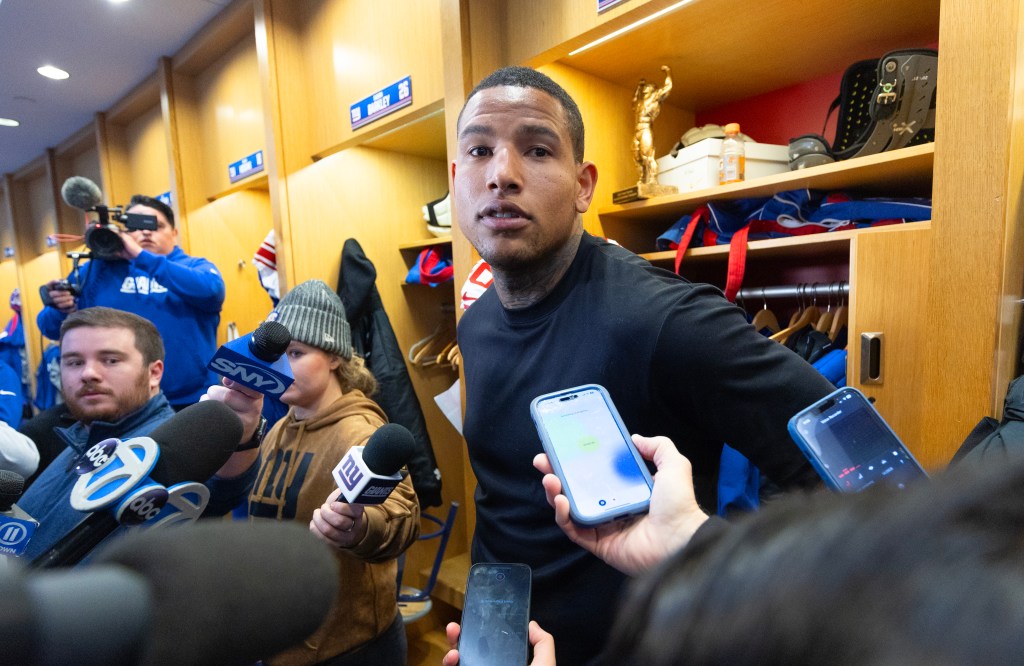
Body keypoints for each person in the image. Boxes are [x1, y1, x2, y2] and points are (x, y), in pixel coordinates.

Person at [451, 65, 835, 663]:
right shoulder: (474, 325)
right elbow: (505, 504)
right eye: (480, 150)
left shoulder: (663, 320)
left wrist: (720, 570)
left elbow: (864, 485)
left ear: (584, 186)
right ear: (456, 180)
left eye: (537, 149)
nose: (502, 174)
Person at [248, 279, 419, 666]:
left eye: (296, 352)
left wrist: (359, 528)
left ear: (335, 357)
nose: (281, 365)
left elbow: (403, 518)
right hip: (283, 640)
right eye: (277, 353)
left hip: (348, 650)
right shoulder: (277, 430)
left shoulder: (359, 431)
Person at [18, 307, 261, 560]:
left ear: (154, 373)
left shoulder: (171, 447)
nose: (88, 373)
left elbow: (220, 491)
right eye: (74, 362)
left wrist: (243, 436)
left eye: (111, 360)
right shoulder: (77, 438)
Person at [38, 195, 224, 409]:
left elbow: (212, 291)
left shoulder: (194, 267)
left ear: (174, 233)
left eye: (156, 225)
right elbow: (50, 327)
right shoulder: (97, 270)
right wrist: (61, 309)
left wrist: (140, 257)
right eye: (135, 226)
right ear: (125, 232)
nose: (146, 231)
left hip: (190, 401)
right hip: (118, 404)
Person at [632, 65, 673, 186]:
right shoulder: (640, 102)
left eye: (647, 87)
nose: (645, 89)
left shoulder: (654, 98)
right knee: (637, 157)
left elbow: (667, 87)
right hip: (637, 131)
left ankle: (653, 179)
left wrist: (668, 72)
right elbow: (634, 101)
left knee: (647, 156)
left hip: (645, 129)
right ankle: (642, 179)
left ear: (652, 90)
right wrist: (639, 87)